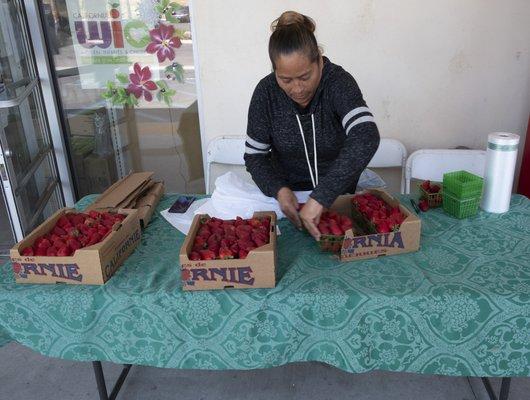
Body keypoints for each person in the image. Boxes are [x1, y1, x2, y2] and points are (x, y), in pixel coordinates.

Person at [244, 11, 380, 240]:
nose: (297, 89)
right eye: (286, 80)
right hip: (288, 209)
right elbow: (255, 157)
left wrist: (321, 197)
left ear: (319, 59)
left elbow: (365, 136)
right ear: (274, 71)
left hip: (338, 200)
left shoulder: (338, 82)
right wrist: (279, 189)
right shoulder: (265, 93)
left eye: (305, 77)